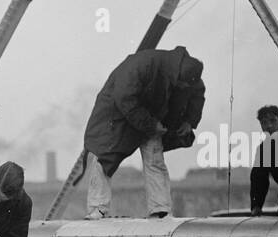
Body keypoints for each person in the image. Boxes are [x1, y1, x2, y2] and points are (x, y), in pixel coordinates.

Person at [82, 45, 205, 219]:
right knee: (103, 156)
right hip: (118, 116)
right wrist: (150, 124)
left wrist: (189, 121)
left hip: (152, 117)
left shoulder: (187, 76)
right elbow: (125, 98)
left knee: (155, 160)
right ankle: (98, 208)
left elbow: (197, 94)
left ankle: (160, 209)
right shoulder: (141, 66)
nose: (184, 87)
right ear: (178, 77)